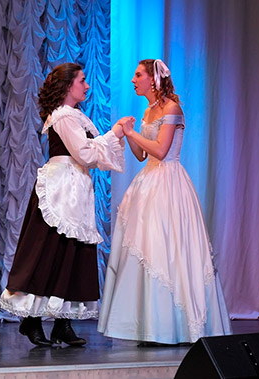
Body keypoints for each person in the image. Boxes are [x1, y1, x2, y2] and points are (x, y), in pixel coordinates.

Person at [98, 59, 232, 345]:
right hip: (148, 183)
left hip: (169, 184)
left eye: (138, 75)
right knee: (148, 248)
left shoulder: (172, 108)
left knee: (169, 249)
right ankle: (151, 324)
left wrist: (132, 133)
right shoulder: (148, 110)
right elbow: (141, 156)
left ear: (153, 79)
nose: (133, 80)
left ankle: (179, 324)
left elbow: (161, 151)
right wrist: (129, 133)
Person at [0, 62, 128, 347]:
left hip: (75, 189)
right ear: (68, 85)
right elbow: (84, 153)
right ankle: (32, 319)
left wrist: (111, 138)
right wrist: (115, 134)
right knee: (48, 251)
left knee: (71, 253)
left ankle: (62, 323)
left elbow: (90, 155)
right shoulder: (63, 115)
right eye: (82, 80)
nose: (87, 85)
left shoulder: (76, 115)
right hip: (60, 190)